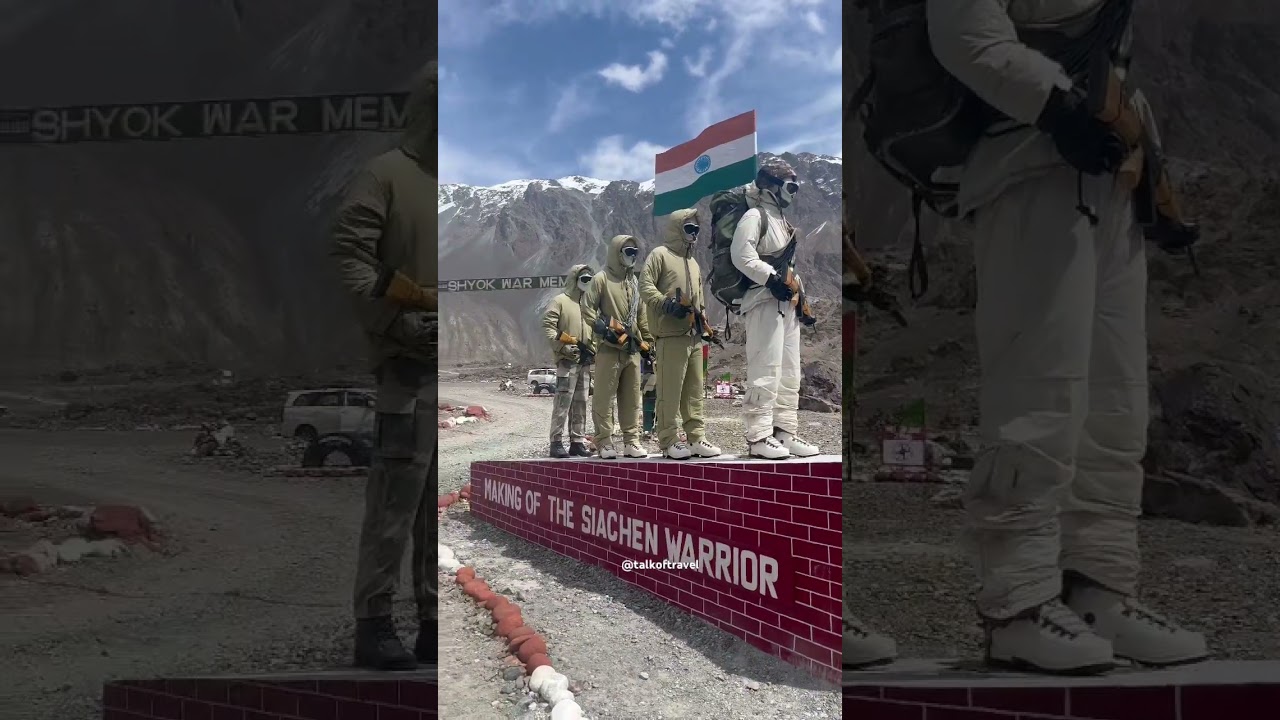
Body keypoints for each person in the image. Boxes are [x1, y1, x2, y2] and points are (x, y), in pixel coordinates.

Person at [926, 0, 1207, 673]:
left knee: (1115, 400)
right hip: (1027, 162)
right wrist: (1056, 108)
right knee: (1039, 390)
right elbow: (965, 37)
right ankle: (1017, 606)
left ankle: (1098, 588)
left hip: (1111, 176)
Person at [329, 62, 437, 671]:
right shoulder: (385, 177)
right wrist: (396, 322)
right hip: (404, 370)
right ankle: (373, 621)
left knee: (430, 509)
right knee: (395, 500)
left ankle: (430, 619)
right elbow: (349, 256)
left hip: (436, 368)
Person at [730, 158, 820, 460]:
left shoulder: (782, 222)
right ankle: (758, 437)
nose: (794, 193)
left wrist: (800, 297)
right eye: (790, 186)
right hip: (763, 302)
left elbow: (790, 266)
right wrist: (770, 279)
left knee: (790, 372)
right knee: (765, 369)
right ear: (772, 185)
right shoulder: (755, 216)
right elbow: (741, 255)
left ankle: (784, 432)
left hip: (788, 305)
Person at [640, 208, 723, 460]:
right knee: (670, 392)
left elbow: (699, 300)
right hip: (669, 335)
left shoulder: (694, 263)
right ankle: (668, 441)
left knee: (694, 392)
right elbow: (645, 286)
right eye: (689, 228)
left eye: (696, 229)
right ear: (677, 228)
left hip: (694, 336)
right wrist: (665, 304)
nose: (694, 233)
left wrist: (705, 325)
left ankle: (696, 438)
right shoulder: (659, 255)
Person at [582, 235, 654, 459]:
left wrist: (647, 342)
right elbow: (587, 308)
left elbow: (641, 316)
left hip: (631, 350)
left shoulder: (634, 283)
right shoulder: (601, 279)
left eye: (635, 252)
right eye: (628, 251)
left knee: (632, 398)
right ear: (617, 252)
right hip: (609, 350)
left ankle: (631, 441)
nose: (632, 256)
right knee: (604, 397)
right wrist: (603, 330)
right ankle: (604, 441)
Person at [542, 264, 595, 458]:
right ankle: (556, 441)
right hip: (566, 362)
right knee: (563, 402)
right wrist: (562, 347)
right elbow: (549, 327)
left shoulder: (587, 305)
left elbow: (594, 329)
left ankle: (577, 441)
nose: (588, 283)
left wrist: (593, 347)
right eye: (585, 279)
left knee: (581, 402)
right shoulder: (560, 301)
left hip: (584, 362)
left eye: (590, 279)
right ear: (575, 278)